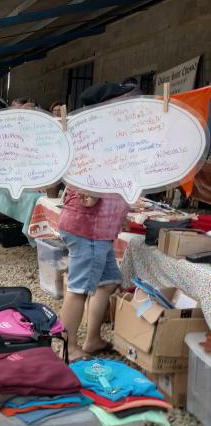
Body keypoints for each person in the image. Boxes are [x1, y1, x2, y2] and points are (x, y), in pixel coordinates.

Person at [59, 82, 136, 361]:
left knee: (106, 282)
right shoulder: (95, 138)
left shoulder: (107, 136)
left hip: (99, 229)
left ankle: (91, 340)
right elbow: (87, 186)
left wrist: (121, 214)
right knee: (79, 288)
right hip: (88, 228)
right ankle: (68, 349)